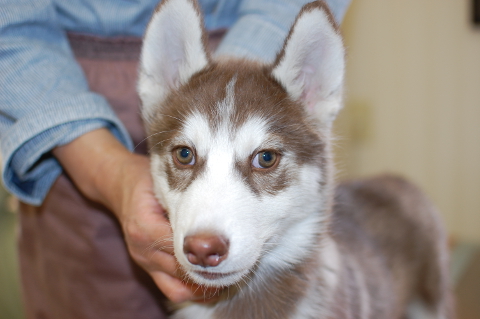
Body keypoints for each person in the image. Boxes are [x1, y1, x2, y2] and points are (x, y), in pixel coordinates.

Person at [0, 0, 351, 318]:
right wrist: (109, 170)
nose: (204, 241)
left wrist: (237, 85)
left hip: (255, 38)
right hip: (59, 85)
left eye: (265, 159)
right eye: (185, 155)